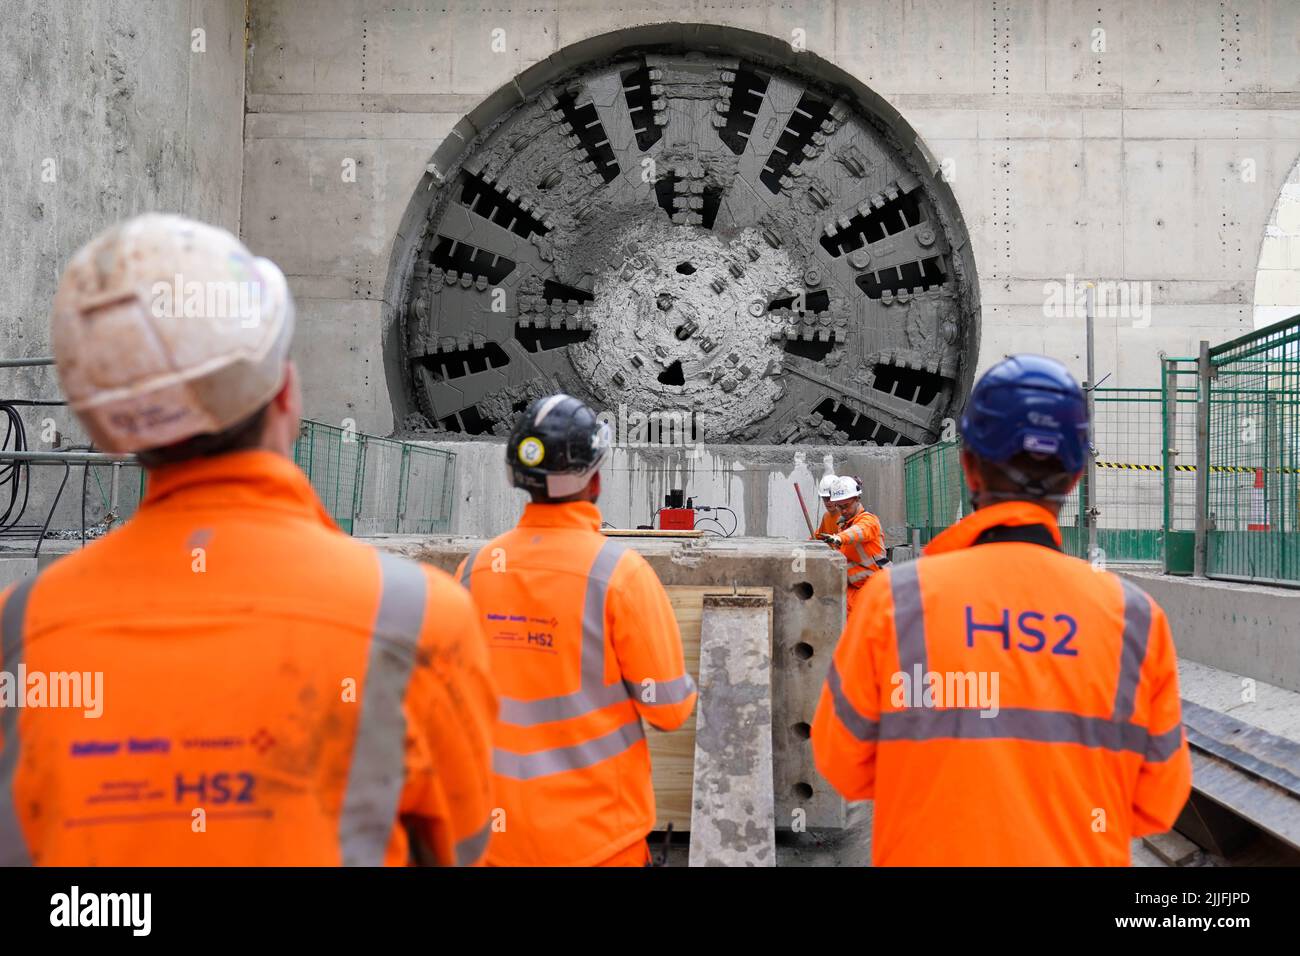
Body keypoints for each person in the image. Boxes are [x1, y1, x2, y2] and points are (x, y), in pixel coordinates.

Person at [0, 214, 497, 866]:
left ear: (109, 427)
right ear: (285, 395)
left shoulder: (23, 628)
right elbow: (463, 846)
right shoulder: (414, 618)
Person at [811, 355, 1192, 866]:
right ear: (1076, 474)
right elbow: (1157, 804)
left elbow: (843, 765)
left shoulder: (895, 603)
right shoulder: (1134, 619)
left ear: (968, 464)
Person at [456, 394, 696, 866]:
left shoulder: (476, 570)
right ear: (597, 478)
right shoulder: (620, 576)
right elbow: (669, 709)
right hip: (598, 843)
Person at [818, 475, 888, 616]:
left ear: (857, 499)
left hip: (874, 588)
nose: (843, 510)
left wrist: (839, 538)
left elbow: (858, 531)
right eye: (839, 506)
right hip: (855, 588)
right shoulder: (843, 524)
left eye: (846, 506)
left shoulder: (868, 520)